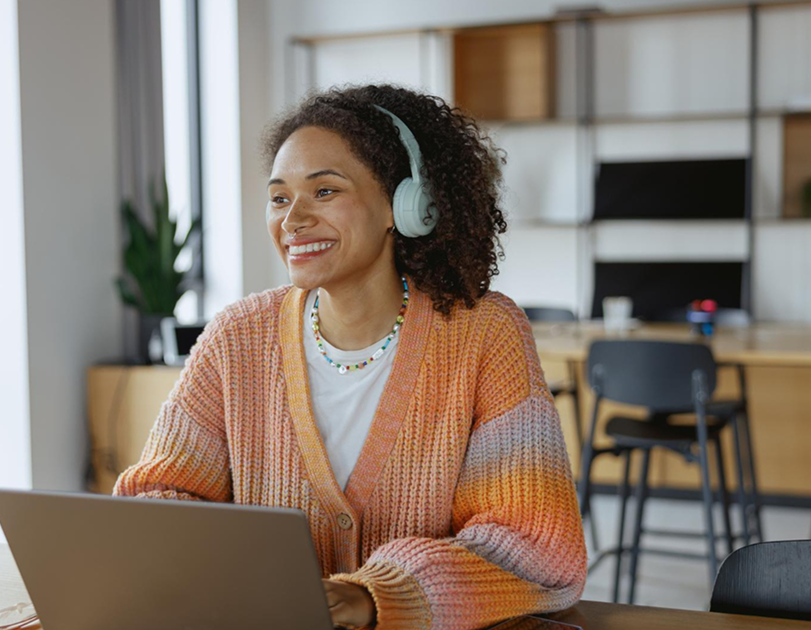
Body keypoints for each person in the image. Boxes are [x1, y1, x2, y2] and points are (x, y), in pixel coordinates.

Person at [114, 84, 586, 630]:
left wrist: (376, 594)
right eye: (279, 197)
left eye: (325, 191)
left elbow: (530, 541)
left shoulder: (485, 333)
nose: (292, 221)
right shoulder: (237, 337)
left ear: (403, 206)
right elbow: (156, 498)